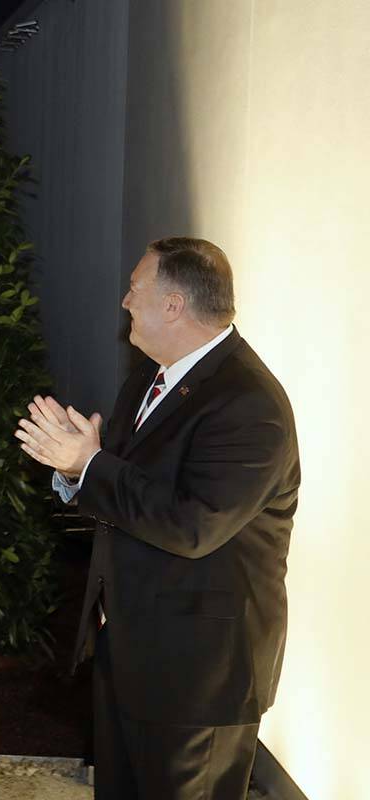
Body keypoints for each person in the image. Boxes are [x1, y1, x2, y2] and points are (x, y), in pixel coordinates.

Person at [15, 237, 300, 799]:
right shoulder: (151, 378)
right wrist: (78, 470)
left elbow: (193, 525)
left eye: (135, 288)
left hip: (199, 678)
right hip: (131, 655)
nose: (125, 301)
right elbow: (127, 492)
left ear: (173, 305)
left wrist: (90, 464)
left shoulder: (250, 404)